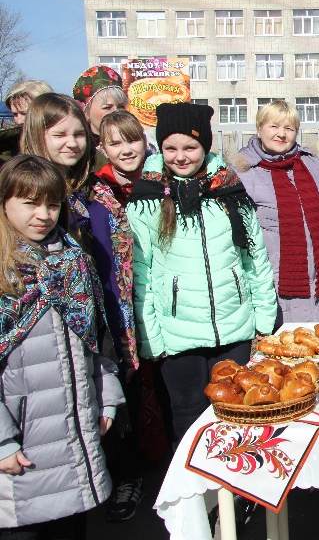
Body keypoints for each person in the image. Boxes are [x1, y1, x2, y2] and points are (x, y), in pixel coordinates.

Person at [126, 102, 276, 443]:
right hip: (177, 333)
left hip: (234, 325)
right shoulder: (148, 198)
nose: (181, 156)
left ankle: (237, 490)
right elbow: (142, 274)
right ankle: (198, 491)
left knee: (239, 408)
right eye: (170, 148)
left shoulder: (229, 190)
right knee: (188, 410)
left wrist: (264, 318)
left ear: (205, 147)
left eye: (190, 147)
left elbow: (255, 258)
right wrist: (151, 336)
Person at [0, 155, 124, 538]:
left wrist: (107, 397)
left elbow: (95, 340)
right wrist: (2, 440)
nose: (43, 214)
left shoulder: (74, 262)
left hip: (75, 436)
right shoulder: (5, 272)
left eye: (52, 204)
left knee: (72, 529)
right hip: (21, 442)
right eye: (30, 203)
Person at [87, 110, 152, 521]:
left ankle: (158, 466)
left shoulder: (161, 183)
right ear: (103, 149)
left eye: (133, 140)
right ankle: (127, 475)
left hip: (160, 302)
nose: (127, 149)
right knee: (121, 392)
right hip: (115, 304)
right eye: (116, 143)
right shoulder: (96, 193)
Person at [231, 100, 319, 326]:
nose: (281, 134)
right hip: (273, 279)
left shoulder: (311, 163)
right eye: (274, 126)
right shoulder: (242, 171)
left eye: (289, 128)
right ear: (259, 128)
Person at [19, 93, 95, 245]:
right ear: (37, 136)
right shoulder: (22, 188)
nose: (72, 143)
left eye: (79, 134)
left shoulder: (91, 185)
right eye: (60, 135)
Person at [1, 81, 53, 167]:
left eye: (24, 114)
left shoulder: (68, 143)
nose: (18, 121)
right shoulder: (8, 146)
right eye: (15, 114)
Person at [72, 65, 128, 142]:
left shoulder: (138, 142)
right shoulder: (80, 149)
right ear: (86, 113)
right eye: (107, 107)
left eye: (121, 106)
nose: (116, 112)